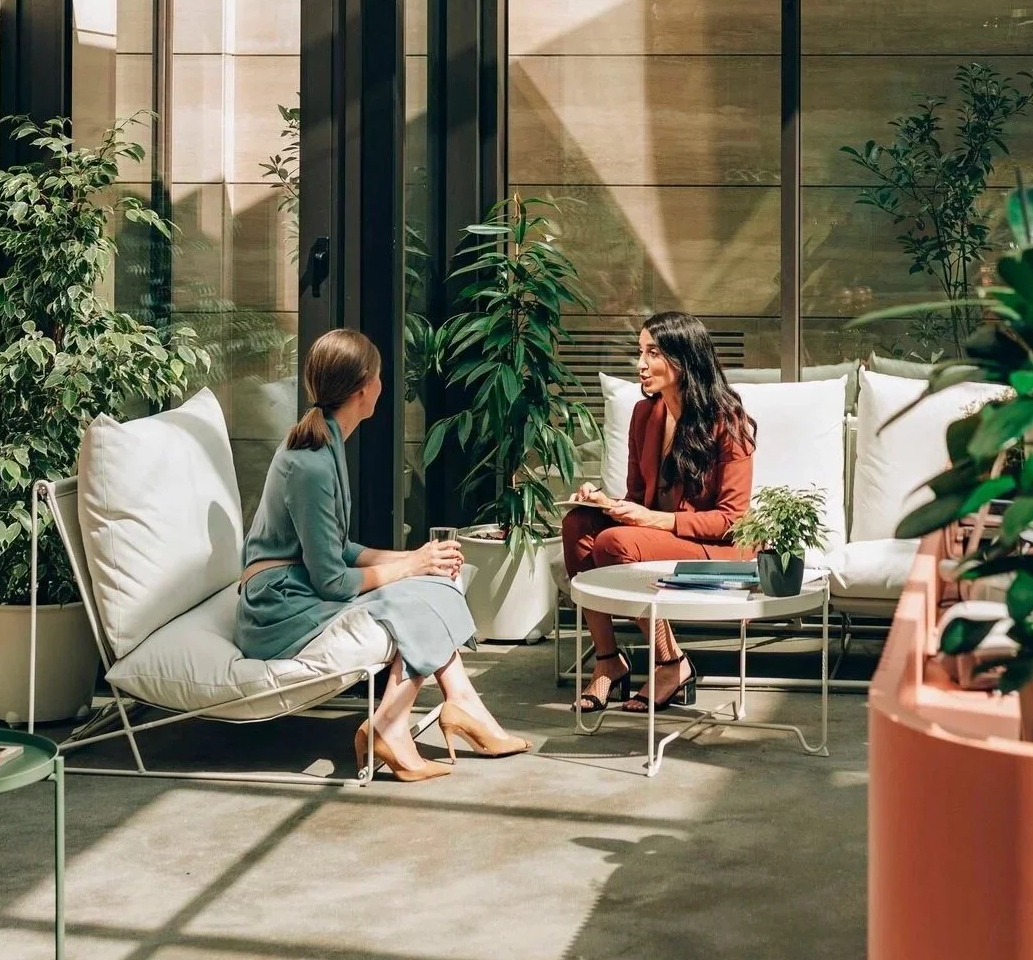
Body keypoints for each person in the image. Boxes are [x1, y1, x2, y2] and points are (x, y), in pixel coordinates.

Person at [236, 327, 530, 781]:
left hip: (295, 587)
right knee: (418, 598)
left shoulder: (327, 444)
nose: (382, 385)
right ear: (363, 388)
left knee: (433, 583)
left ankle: (455, 704)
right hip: (277, 608)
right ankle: (401, 722)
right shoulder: (310, 463)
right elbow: (332, 581)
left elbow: (337, 549)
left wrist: (414, 558)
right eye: (379, 376)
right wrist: (411, 565)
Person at [562, 311, 757, 715]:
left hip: (716, 546)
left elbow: (733, 520)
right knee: (578, 524)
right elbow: (638, 497)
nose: (640, 364)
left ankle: (672, 663)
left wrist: (655, 520)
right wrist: (604, 503)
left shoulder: (727, 421)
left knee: (614, 543)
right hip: (662, 537)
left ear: (684, 359)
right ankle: (608, 659)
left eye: (653, 353)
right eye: (640, 352)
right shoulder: (645, 414)